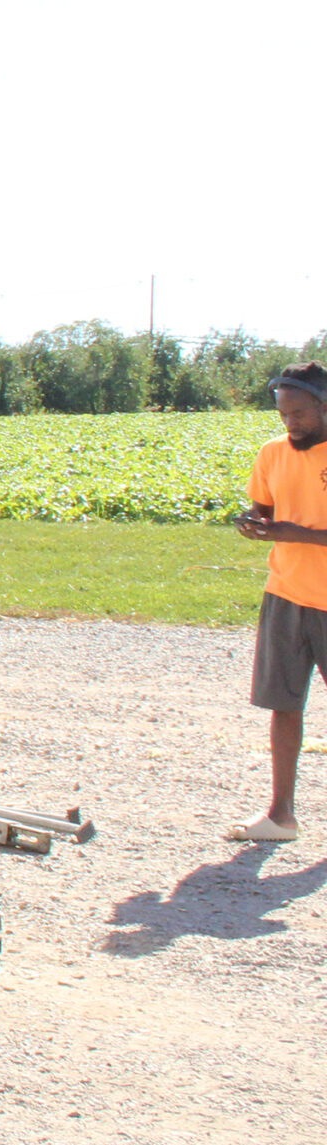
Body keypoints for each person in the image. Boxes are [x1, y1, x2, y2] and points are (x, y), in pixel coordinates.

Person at [227, 361, 327, 843]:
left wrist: (296, 534)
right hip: (286, 594)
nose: (290, 424)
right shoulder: (272, 454)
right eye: (284, 415)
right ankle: (280, 816)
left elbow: (292, 527)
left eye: (300, 414)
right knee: (283, 704)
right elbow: (262, 509)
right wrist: (252, 523)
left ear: (324, 407)